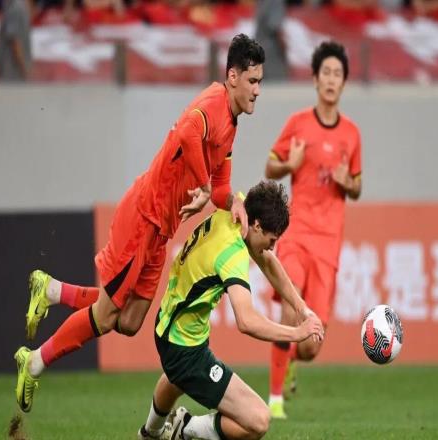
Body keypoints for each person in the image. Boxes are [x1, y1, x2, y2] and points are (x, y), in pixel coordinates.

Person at [14, 33, 266, 413]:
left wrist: (235, 203)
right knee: (105, 316)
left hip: (160, 231)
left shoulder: (231, 124)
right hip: (143, 218)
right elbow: (188, 132)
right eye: (253, 81)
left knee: (130, 322)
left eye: (260, 82)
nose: (257, 90)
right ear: (233, 76)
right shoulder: (213, 104)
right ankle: (33, 362)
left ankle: (51, 290)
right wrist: (202, 184)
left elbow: (220, 190)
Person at [137, 180, 324, 440]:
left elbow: (268, 262)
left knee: (175, 376)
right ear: (257, 226)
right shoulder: (232, 253)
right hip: (184, 348)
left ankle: (150, 433)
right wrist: (297, 333)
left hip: (168, 325)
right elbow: (246, 321)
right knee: (258, 420)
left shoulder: (238, 208)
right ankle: (185, 427)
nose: (272, 247)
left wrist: (301, 308)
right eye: (271, 240)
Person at [264, 40, 362, 419]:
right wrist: (290, 165)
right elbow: (270, 166)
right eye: (326, 73)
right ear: (316, 79)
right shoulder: (298, 124)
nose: (331, 80)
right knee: (290, 313)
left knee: (310, 344)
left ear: (344, 83)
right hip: (296, 234)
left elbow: (357, 186)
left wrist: (347, 182)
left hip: (328, 245)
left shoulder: (351, 134)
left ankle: (291, 359)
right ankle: (274, 401)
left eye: (338, 74)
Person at [0, 0, 32, 81]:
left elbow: (15, 43)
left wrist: (24, 69)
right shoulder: (15, 7)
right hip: (13, 72)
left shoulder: (14, 8)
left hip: (13, 72)